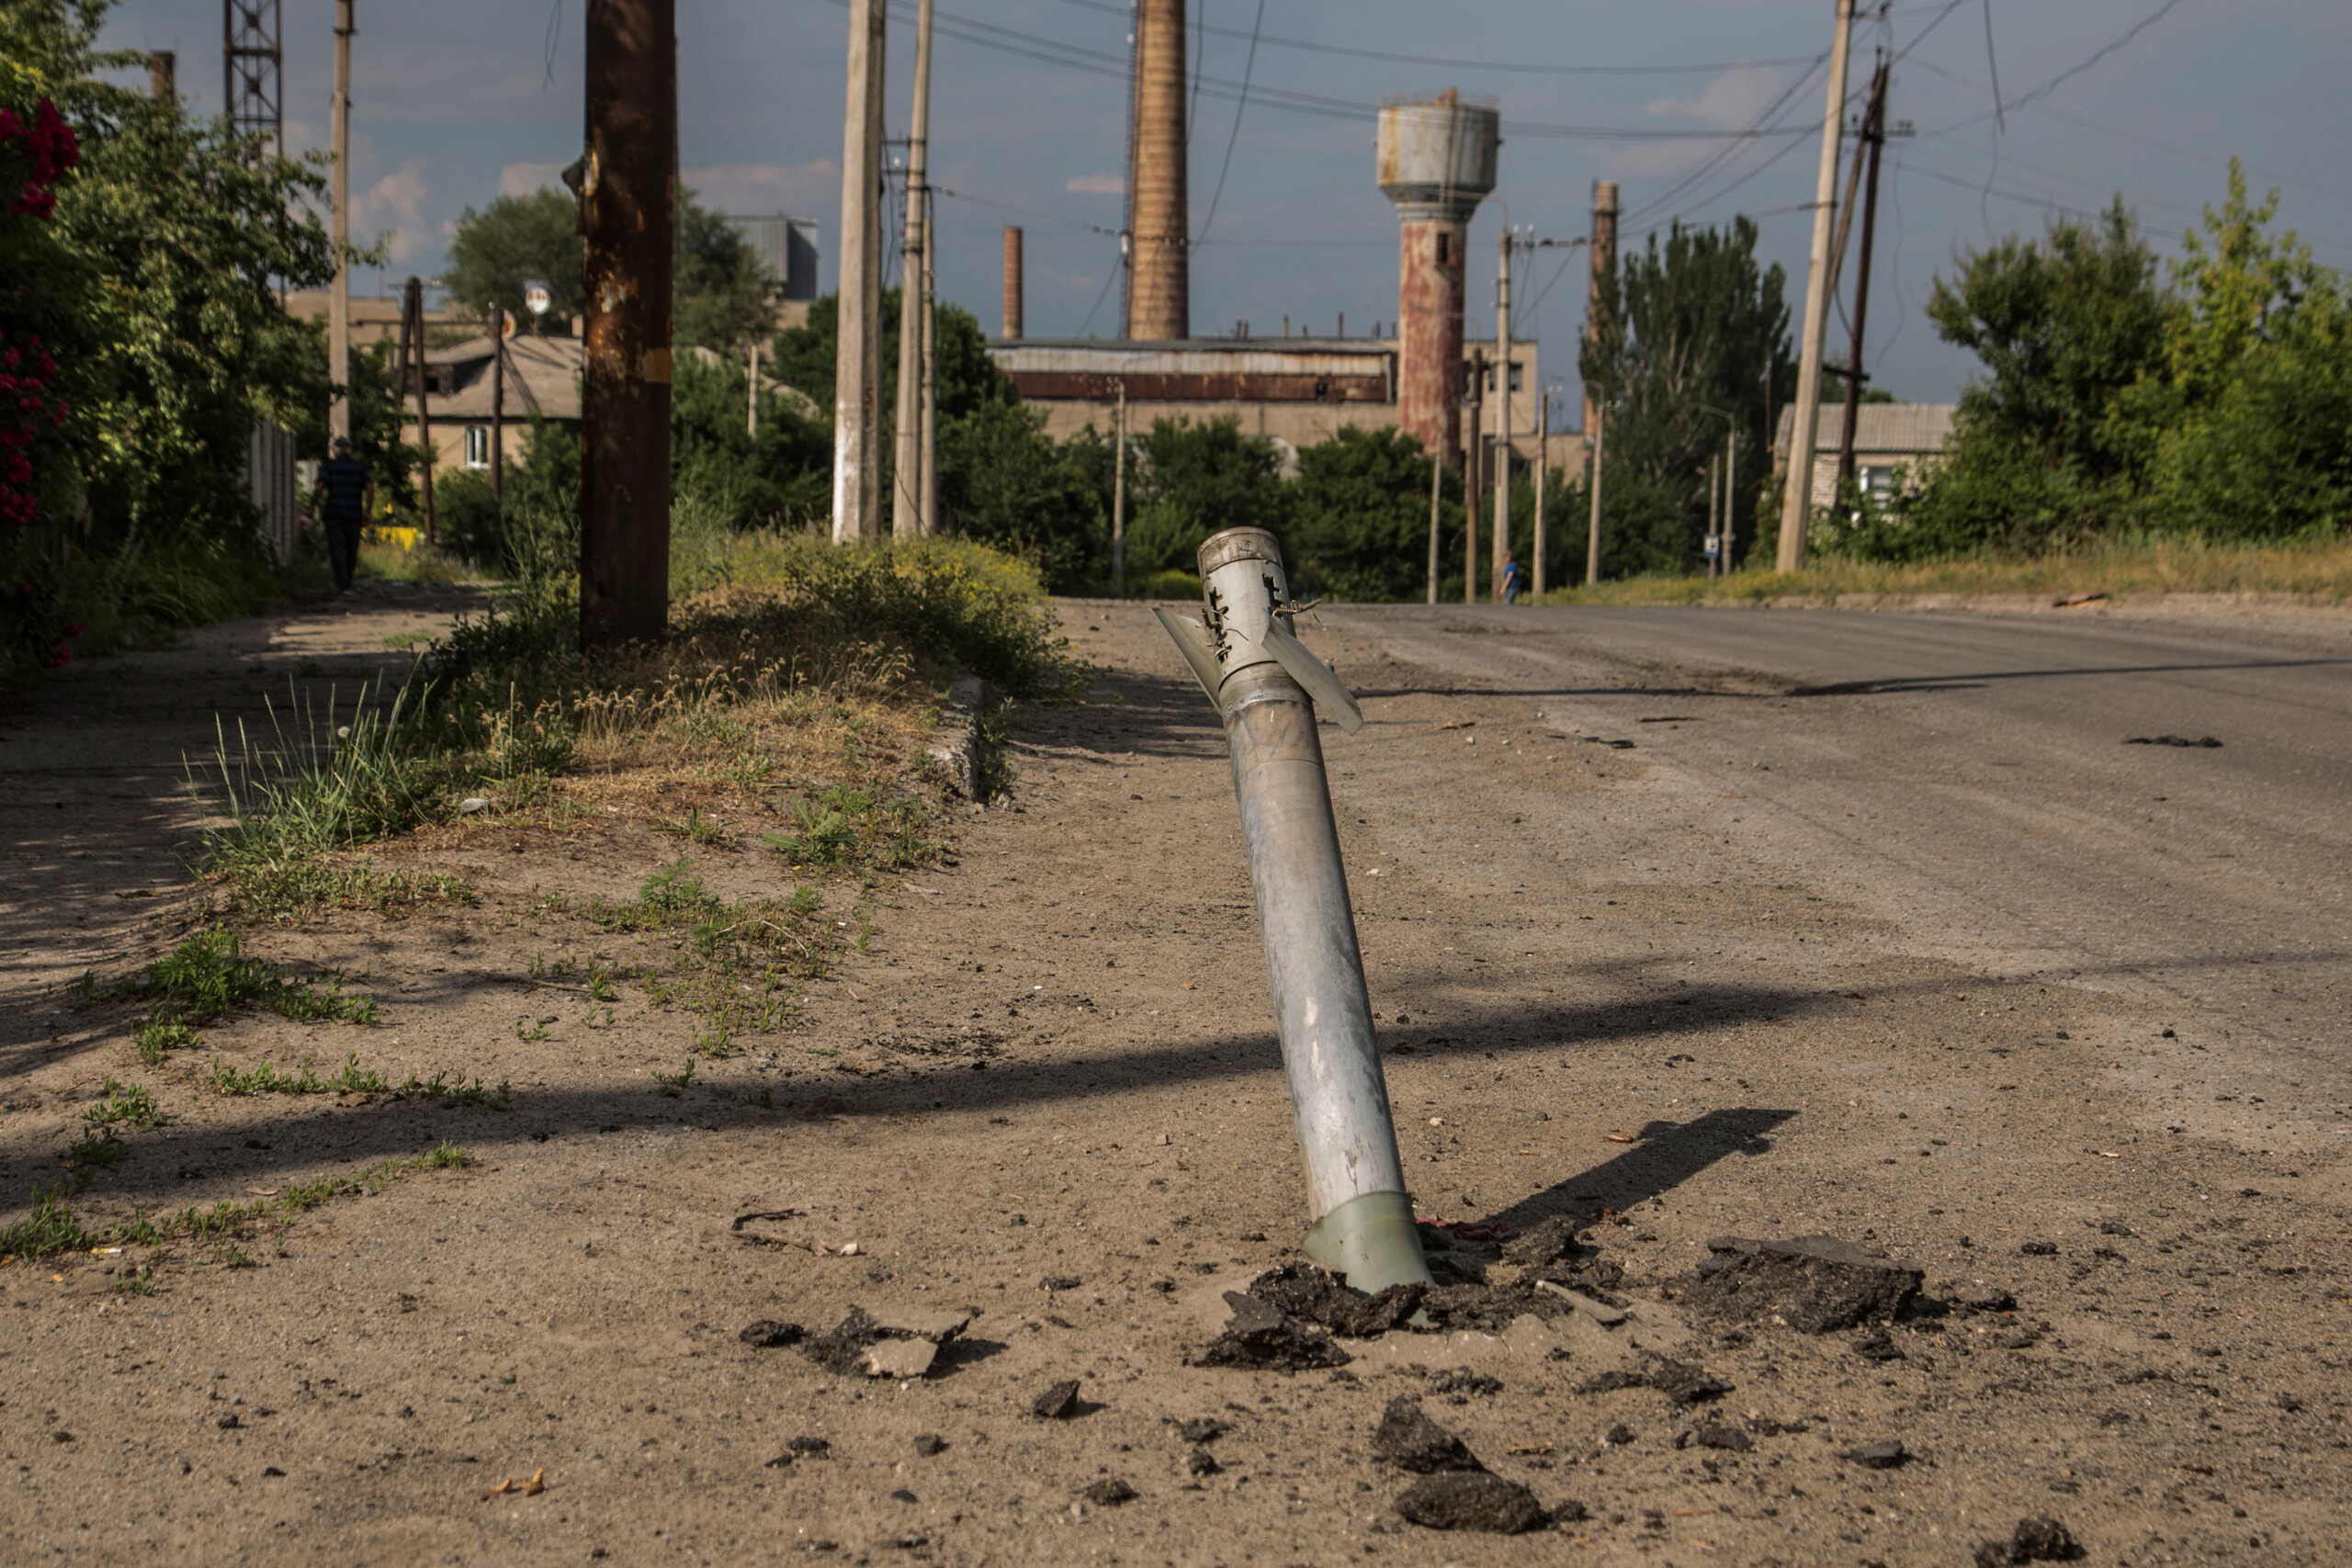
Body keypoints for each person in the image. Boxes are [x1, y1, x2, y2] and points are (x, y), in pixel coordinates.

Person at [311, 436, 373, 594]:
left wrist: (312, 506)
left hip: (334, 514)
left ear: (335, 449)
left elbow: (319, 487)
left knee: (337, 549)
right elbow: (370, 488)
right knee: (352, 548)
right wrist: (367, 511)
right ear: (349, 449)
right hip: (354, 514)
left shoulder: (329, 466)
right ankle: (348, 580)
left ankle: (343, 583)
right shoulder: (359, 467)